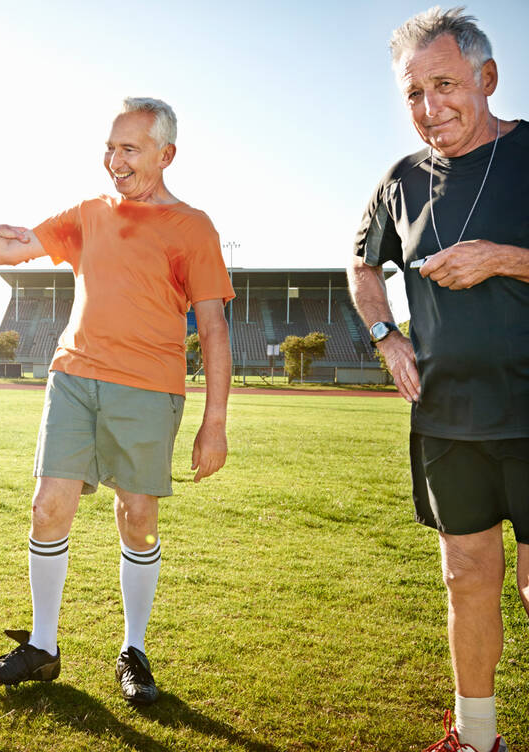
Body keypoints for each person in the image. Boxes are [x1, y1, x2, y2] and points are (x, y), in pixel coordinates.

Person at [0, 97, 234, 704]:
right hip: (73, 376)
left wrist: (215, 423)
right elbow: (9, 248)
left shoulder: (193, 227)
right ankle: (43, 646)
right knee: (48, 507)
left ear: (165, 154)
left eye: (129, 149)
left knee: (138, 518)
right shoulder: (89, 214)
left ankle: (134, 649)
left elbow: (215, 328)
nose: (113, 160)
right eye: (110, 147)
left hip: (150, 387)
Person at [347, 8, 528, 751]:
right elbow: (361, 266)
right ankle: (478, 739)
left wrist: (505, 257)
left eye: (446, 84)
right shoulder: (400, 180)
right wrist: (387, 335)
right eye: (414, 94)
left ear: (486, 78)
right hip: (449, 417)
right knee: (466, 577)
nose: (431, 108)